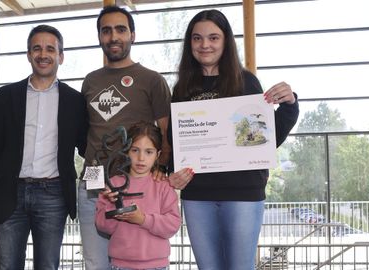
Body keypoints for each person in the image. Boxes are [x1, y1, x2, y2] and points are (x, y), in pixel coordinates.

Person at [167, 10, 299, 270]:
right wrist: (173, 172)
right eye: (197, 38)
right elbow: (176, 139)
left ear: (226, 41)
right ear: (189, 43)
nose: (205, 45)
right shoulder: (181, 89)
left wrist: (289, 104)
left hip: (243, 194)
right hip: (197, 195)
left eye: (213, 37)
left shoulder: (246, 81)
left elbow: (264, 139)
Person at [0, 24, 88, 270]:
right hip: (10, 195)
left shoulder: (75, 101)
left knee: (48, 266)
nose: (43, 54)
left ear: (60, 56)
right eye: (37, 48)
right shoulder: (5, 96)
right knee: (7, 265)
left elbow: (87, 146)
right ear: (29, 54)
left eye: (50, 49)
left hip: (54, 196)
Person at [79, 5, 172, 269]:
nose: (113, 37)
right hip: (94, 186)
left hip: (138, 187)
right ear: (99, 37)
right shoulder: (90, 81)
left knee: (136, 262)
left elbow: (165, 135)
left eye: (121, 29)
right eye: (106, 31)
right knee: (95, 263)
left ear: (133, 34)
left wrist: (161, 169)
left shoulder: (152, 80)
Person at [95, 122, 181, 270]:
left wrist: (143, 219)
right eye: (135, 150)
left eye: (149, 152)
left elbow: (172, 225)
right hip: (120, 265)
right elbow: (103, 226)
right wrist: (112, 205)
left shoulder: (163, 186)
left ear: (157, 155)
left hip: (157, 265)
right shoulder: (113, 185)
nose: (141, 158)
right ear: (126, 151)